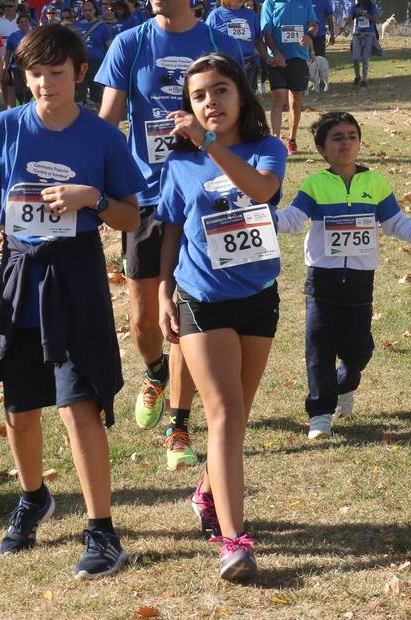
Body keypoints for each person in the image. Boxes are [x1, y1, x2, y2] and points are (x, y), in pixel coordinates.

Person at [0, 23, 145, 580]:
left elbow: (132, 217)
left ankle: (102, 529)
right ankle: (34, 496)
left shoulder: (102, 137)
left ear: (79, 74)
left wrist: (90, 198)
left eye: (57, 73)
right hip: (18, 273)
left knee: (78, 401)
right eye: (36, 73)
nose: (46, 84)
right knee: (19, 404)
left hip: (76, 273)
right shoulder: (6, 128)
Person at [96, 0, 244, 471]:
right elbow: (107, 125)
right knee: (143, 320)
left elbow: (239, 118)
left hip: (204, 193)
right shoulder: (129, 45)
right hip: (145, 199)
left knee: (187, 314)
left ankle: (179, 428)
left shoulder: (220, 42)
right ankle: (155, 370)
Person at [156, 53, 286, 581]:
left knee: (236, 418)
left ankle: (206, 493)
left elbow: (261, 190)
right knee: (225, 416)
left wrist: (210, 145)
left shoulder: (269, 149)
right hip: (201, 296)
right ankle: (234, 542)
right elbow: (168, 227)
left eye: (221, 91)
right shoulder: (181, 164)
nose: (211, 102)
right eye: (199, 95)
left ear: (241, 95)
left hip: (258, 294)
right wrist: (164, 290)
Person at [275, 111, 411, 439]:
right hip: (322, 281)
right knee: (319, 347)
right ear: (322, 149)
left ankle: (343, 385)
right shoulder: (315, 184)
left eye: (351, 136)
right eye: (337, 138)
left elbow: (394, 222)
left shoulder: (374, 183)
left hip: (361, 282)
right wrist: (264, 219)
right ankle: (320, 414)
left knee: (358, 350)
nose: (346, 142)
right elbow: (292, 218)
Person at [259, 0, 316, 153]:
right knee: (278, 98)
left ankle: (291, 138)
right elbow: (266, 32)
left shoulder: (305, 0)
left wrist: (309, 35)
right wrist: (275, 53)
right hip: (277, 59)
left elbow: (313, 24)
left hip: (298, 57)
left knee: (295, 101)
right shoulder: (270, 3)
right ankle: (276, 142)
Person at [206, 0, 259, 90]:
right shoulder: (216, 15)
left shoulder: (251, 15)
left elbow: (258, 39)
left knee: (246, 100)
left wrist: (267, 57)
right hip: (224, 64)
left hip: (247, 63)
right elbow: (205, 41)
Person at [73, 0, 113, 106]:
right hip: (81, 62)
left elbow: (109, 45)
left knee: (96, 90)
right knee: (80, 89)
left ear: (95, 11)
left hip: (97, 63)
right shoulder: (77, 26)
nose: (87, 12)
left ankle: (97, 113)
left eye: (90, 10)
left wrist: (109, 63)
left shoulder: (103, 27)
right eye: (85, 10)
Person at [347, 0, 379, 89]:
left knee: (365, 58)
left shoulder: (372, 6)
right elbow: (350, 17)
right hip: (357, 34)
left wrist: (364, 14)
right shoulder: (355, 6)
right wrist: (344, 26)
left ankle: (364, 79)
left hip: (369, 34)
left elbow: (375, 19)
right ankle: (357, 76)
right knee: (355, 58)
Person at [4, 13, 34, 107]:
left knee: (30, 90)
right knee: (19, 91)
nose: (24, 23)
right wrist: (5, 68)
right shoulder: (13, 36)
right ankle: (20, 107)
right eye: (21, 22)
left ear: (29, 23)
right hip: (16, 67)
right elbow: (8, 53)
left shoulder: (35, 35)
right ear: (18, 24)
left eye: (26, 21)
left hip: (31, 67)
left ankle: (28, 107)